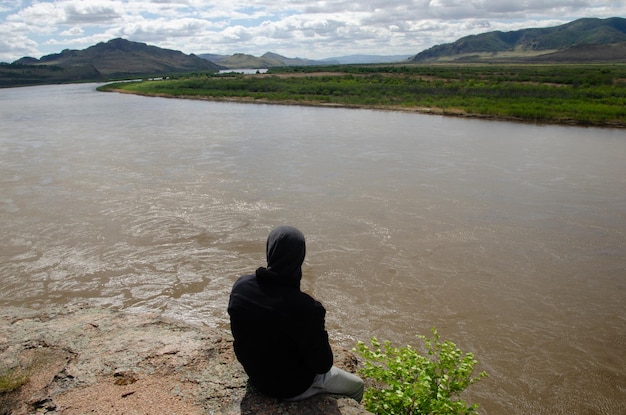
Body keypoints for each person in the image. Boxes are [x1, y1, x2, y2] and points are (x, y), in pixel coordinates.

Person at [228, 225, 364, 402]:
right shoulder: (307, 308)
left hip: (256, 377)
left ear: (270, 250)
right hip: (292, 387)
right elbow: (322, 365)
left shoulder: (241, 287)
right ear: (300, 256)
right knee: (358, 385)